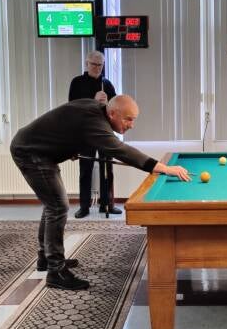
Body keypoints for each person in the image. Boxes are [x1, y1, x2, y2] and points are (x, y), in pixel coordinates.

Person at [10, 94, 191, 291]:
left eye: (133, 120)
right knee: (57, 206)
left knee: (53, 205)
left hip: (36, 149)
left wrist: (69, 145)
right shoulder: (95, 121)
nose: (131, 125)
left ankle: (46, 258)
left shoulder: (96, 110)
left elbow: (66, 123)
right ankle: (56, 271)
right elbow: (121, 150)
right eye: (128, 119)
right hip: (31, 152)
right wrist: (163, 168)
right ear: (112, 114)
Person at [68, 50, 118, 218]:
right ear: (86, 64)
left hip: (104, 132)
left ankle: (107, 204)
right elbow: (73, 107)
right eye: (94, 64)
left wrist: (108, 103)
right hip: (86, 132)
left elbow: (115, 109)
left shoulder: (107, 84)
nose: (97, 68)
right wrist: (93, 100)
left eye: (100, 65)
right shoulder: (77, 82)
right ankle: (84, 207)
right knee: (85, 169)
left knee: (107, 169)